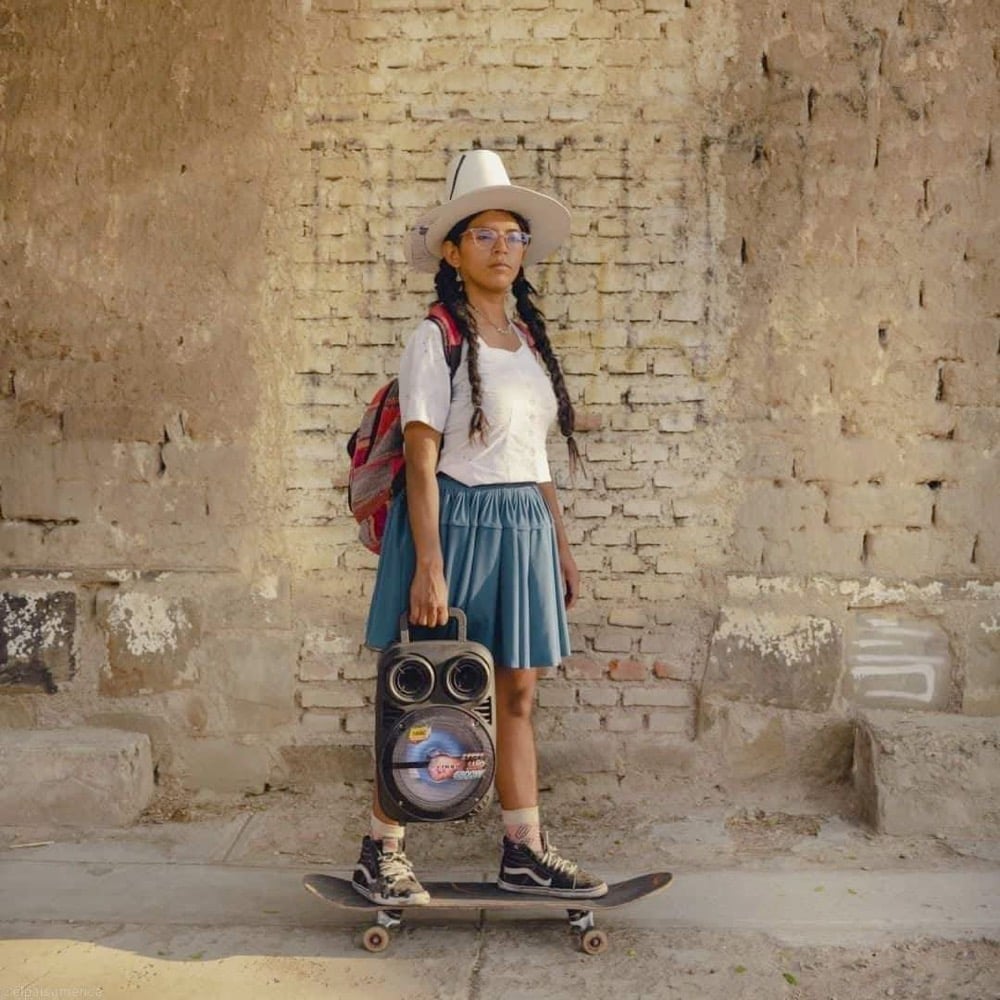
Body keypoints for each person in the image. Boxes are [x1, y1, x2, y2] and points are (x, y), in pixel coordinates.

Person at [352, 148, 607, 907]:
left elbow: (533, 460)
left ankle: (524, 850)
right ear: (455, 251)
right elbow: (423, 458)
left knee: (517, 694)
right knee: (425, 690)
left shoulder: (527, 341)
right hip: (454, 521)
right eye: (486, 235)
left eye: (514, 235)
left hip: (521, 525)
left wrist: (557, 542)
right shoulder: (435, 337)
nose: (503, 248)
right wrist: (429, 564)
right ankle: (381, 848)